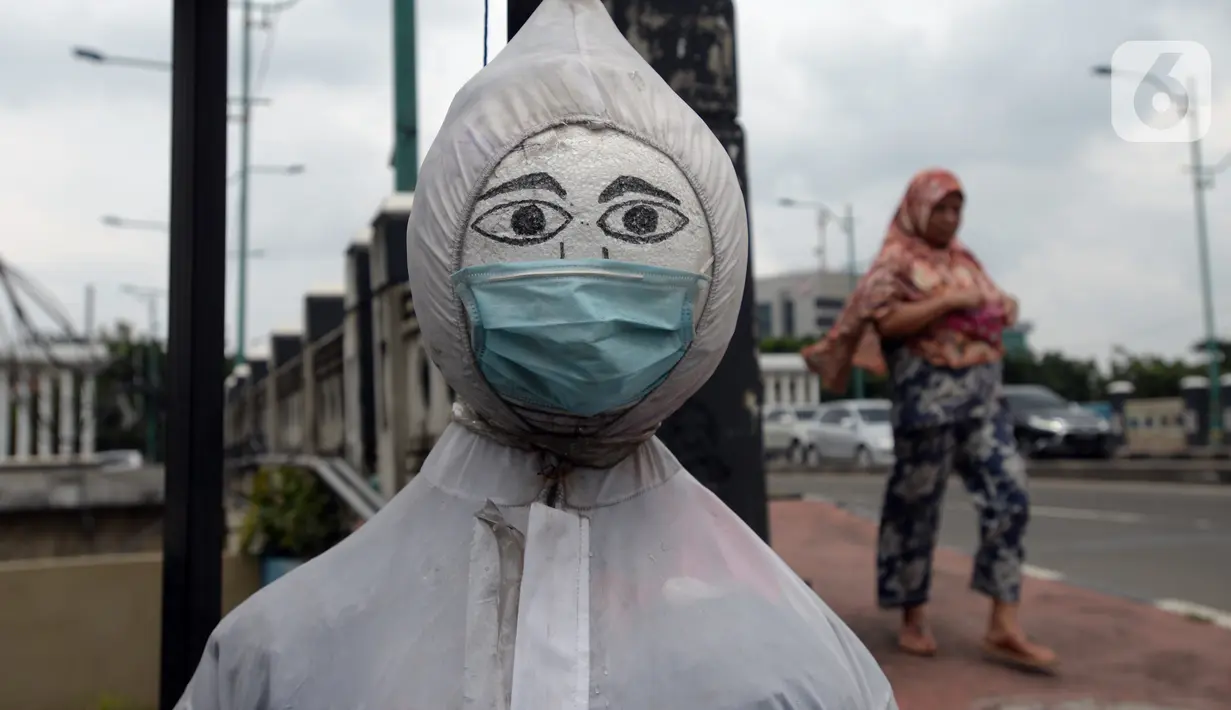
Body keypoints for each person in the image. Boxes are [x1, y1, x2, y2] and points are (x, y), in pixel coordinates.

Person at [173, 1, 897, 708]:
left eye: (641, 220)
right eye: (525, 221)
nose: (584, 268)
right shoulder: (274, 653)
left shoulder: (285, 649)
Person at [802, 168, 1058, 674]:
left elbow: (994, 299)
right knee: (917, 507)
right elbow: (886, 321)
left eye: (956, 209)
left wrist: (1002, 305)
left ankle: (1003, 622)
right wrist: (945, 302)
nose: (949, 218)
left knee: (1011, 495)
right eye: (941, 208)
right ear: (918, 208)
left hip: (984, 399)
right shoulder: (896, 261)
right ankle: (912, 612)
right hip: (928, 400)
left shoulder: (965, 259)